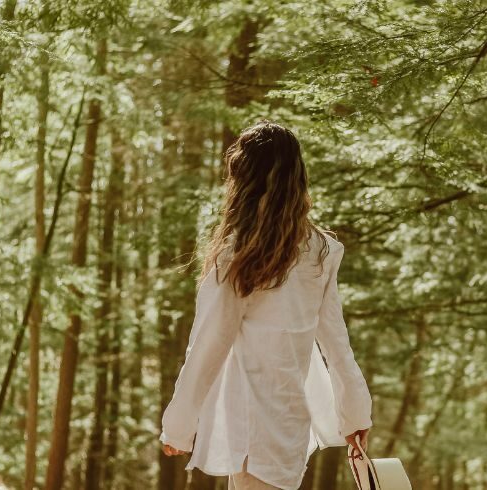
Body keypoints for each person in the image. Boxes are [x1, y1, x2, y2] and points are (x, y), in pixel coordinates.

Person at [159, 121, 373, 490]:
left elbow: (209, 343)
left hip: (250, 430)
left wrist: (179, 425)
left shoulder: (238, 254)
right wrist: (355, 413)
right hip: (290, 430)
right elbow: (337, 345)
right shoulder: (319, 251)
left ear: (245, 181)